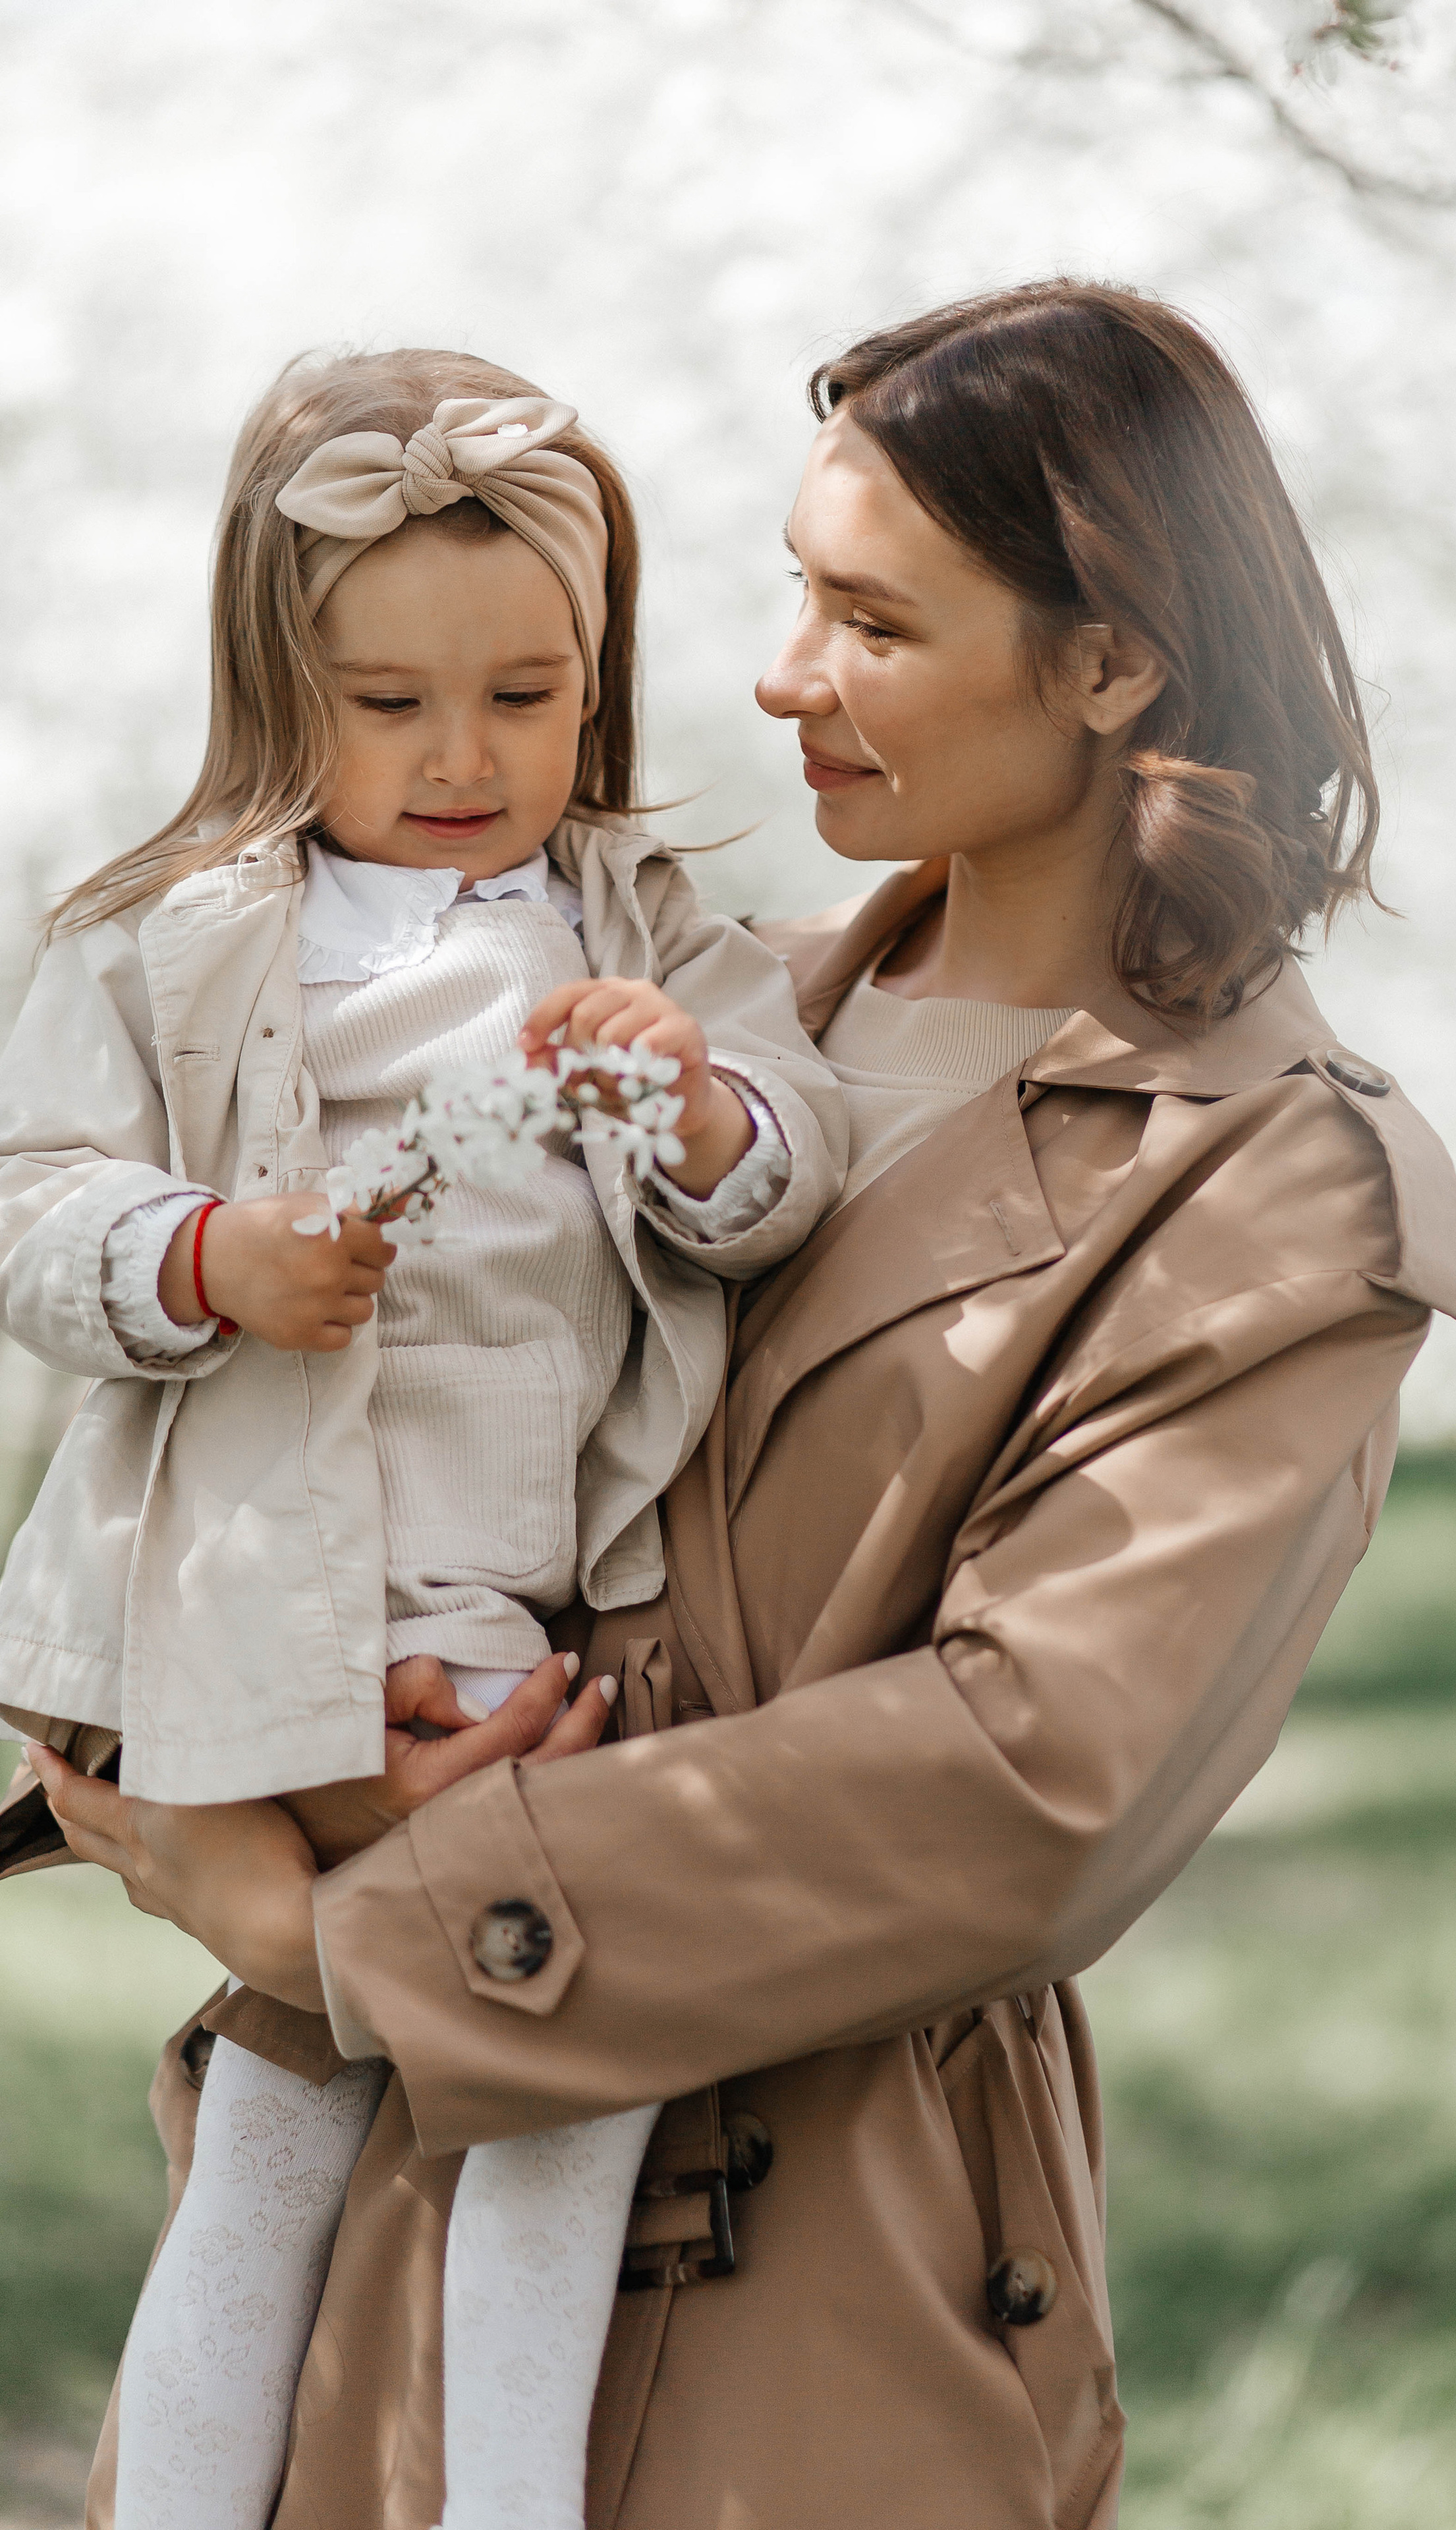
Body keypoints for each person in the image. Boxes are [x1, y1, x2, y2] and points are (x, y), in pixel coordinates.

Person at [32, 280, 1456, 2530]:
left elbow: (1030, 1781)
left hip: (799, 2273)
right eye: (794, 591)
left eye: (872, 622)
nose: (783, 675)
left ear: (1112, 664)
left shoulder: (1272, 1185)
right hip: (363, 2243)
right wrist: (239, 1763)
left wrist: (342, 1927)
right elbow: (259, 1410)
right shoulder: (674, 998)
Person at [0, 349, 845, 2530]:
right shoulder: (174, 932)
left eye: (525, 697)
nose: (463, 760)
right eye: (387, 705)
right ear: (278, 689)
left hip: (502, 1596)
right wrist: (205, 1256)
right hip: (256, 1580)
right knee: (531, 2040)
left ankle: (486, 2496)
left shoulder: (637, 922)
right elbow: (30, 1201)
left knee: (381, 2089)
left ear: (598, 683)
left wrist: (697, 1106)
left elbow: (792, 1169)